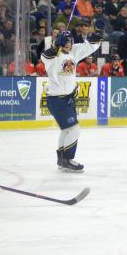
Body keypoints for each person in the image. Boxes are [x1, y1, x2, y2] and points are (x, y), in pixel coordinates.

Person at [41, 29, 102, 172]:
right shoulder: (53, 57)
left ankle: (62, 161)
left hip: (68, 98)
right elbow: (45, 56)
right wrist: (55, 46)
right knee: (74, 130)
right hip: (57, 100)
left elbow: (89, 47)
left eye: (70, 41)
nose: (69, 44)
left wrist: (97, 34)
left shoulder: (74, 51)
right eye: (66, 42)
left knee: (66, 130)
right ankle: (68, 159)